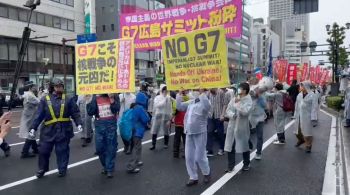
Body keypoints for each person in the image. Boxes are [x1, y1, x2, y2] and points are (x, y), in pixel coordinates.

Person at [29, 78, 83, 178]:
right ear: (52, 87)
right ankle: (42, 168)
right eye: (57, 86)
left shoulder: (68, 99)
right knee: (43, 150)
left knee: (62, 150)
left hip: (63, 129)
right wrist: (33, 128)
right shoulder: (45, 99)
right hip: (48, 130)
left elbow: (75, 112)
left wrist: (79, 123)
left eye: (61, 86)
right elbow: (38, 115)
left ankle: (62, 169)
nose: (60, 88)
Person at [178, 89, 211, 186]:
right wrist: (179, 94)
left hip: (200, 132)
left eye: (197, 89)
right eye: (195, 89)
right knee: (188, 157)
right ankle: (193, 177)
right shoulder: (191, 102)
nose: (195, 91)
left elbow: (207, 106)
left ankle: (206, 173)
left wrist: (202, 93)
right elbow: (180, 107)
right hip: (189, 132)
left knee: (200, 157)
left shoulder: (205, 102)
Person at [87, 93, 120, 178]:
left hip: (111, 124)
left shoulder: (115, 95)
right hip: (99, 124)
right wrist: (88, 101)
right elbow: (90, 112)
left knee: (111, 147)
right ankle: (105, 165)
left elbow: (116, 109)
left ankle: (109, 168)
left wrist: (112, 99)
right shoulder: (94, 96)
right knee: (99, 148)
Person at [224, 83, 253, 172]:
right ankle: (230, 166)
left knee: (244, 145)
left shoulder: (248, 100)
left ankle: (246, 163)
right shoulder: (235, 99)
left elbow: (245, 112)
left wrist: (237, 104)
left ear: (244, 90)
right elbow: (228, 110)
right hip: (232, 125)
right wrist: (232, 115)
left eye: (240, 88)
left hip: (242, 126)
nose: (238, 90)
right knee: (230, 146)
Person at [126, 100, 150, 173]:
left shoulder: (132, 109)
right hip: (137, 131)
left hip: (131, 131)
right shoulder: (140, 108)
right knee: (136, 148)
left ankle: (138, 160)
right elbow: (145, 119)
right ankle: (131, 167)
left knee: (137, 147)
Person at [294, 81, 318, 153]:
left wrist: (314, 118)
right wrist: (295, 115)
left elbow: (314, 107)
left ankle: (308, 145)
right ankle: (301, 140)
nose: (301, 87)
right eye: (301, 86)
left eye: (302, 86)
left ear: (306, 86)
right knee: (297, 132)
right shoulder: (299, 95)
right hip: (299, 116)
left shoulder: (313, 95)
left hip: (307, 116)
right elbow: (296, 105)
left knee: (307, 133)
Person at [19, 82, 40, 158]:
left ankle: (35, 149)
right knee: (31, 133)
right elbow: (39, 102)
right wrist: (42, 94)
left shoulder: (27, 94)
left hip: (28, 115)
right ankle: (24, 152)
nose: (36, 88)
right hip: (30, 117)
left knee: (31, 132)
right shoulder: (30, 95)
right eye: (34, 87)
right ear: (30, 87)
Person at [150, 84, 172, 150]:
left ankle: (166, 144)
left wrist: (170, 118)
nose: (165, 92)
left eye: (166, 90)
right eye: (164, 90)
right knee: (155, 130)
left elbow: (170, 108)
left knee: (166, 130)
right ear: (162, 90)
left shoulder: (169, 97)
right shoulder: (158, 97)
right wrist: (164, 101)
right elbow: (157, 106)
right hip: (158, 115)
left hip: (166, 115)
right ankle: (153, 144)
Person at [249, 85, 267, 160]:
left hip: (260, 119)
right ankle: (249, 145)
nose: (255, 92)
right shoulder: (250, 97)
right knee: (246, 134)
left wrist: (259, 96)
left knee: (259, 136)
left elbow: (264, 105)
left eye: (257, 90)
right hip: (250, 118)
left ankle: (258, 153)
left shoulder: (262, 97)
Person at [207, 88, 226, 156]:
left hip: (219, 115)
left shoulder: (221, 92)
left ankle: (221, 149)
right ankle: (209, 150)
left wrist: (223, 114)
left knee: (220, 133)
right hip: (210, 115)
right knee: (209, 132)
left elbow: (224, 104)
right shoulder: (209, 93)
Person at [173, 90, 189, 158]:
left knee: (177, 138)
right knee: (185, 138)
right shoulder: (188, 98)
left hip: (179, 121)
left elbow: (174, 110)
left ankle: (176, 153)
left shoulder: (176, 100)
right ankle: (186, 153)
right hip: (184, 121)